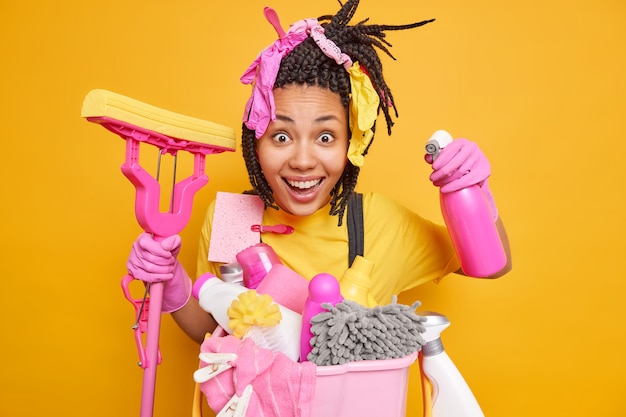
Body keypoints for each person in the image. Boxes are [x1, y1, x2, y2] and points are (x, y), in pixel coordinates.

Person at [127, 0, 512, 346]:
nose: (303, 160)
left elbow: (493, 266)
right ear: (255, 142)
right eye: (281, 136)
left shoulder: (380, 222)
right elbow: (215, 334)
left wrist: (477, 193)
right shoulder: (232, 217)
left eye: (325, 136)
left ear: (351, 144)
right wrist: (173, 288)